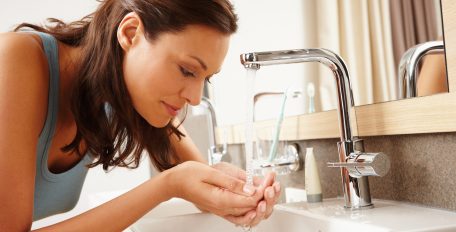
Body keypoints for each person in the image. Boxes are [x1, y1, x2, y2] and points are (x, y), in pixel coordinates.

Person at [0, 0, 281, 231]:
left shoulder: (121, 92)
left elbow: (201, 183)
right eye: (186, 70)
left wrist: (246, 194)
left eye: (205, 78)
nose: (195, 98)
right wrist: (167, 186)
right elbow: (180, 179)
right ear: (130, 33)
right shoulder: (15, 59)